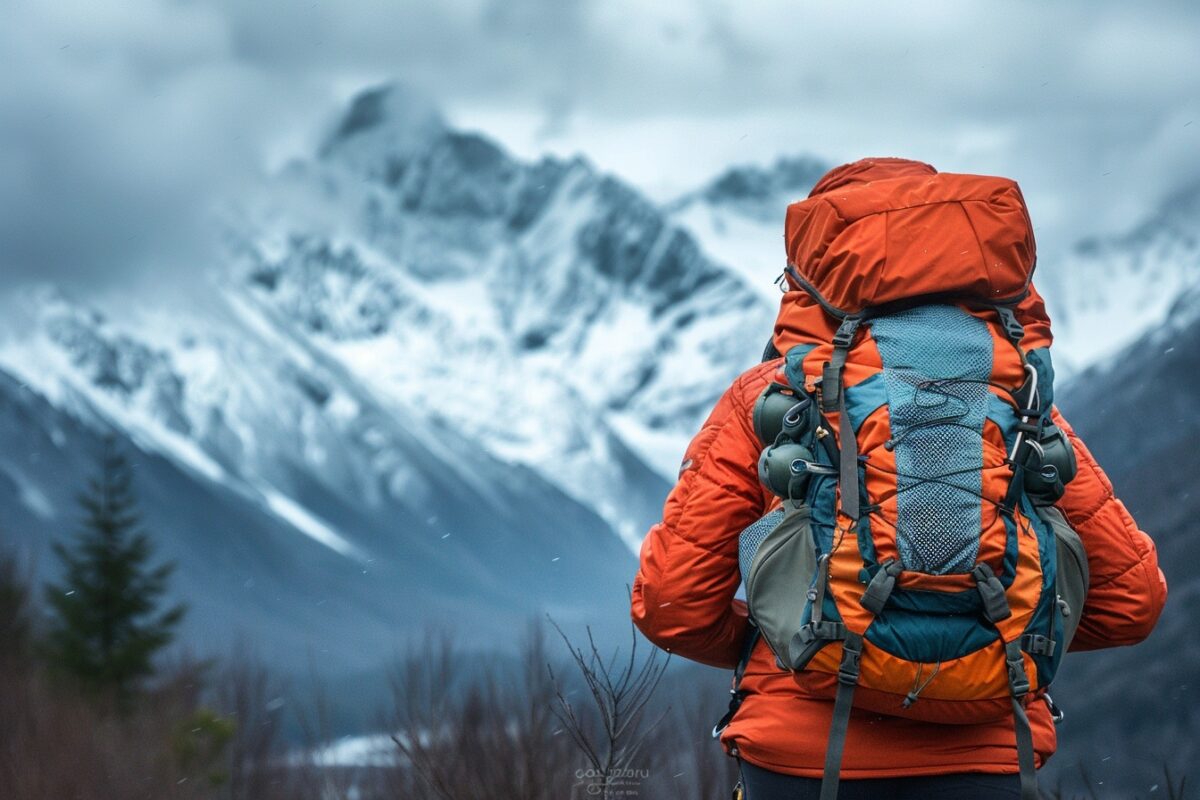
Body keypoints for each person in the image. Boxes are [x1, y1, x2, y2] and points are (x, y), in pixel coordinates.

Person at [630, 158, 1167, 799]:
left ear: (809, 271)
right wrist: (983, 646)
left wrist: (802, 631)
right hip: (983, 766)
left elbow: (672, 607)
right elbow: (1132, 601)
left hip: (804, 764)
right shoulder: (1015, 402)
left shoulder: (770, 400)